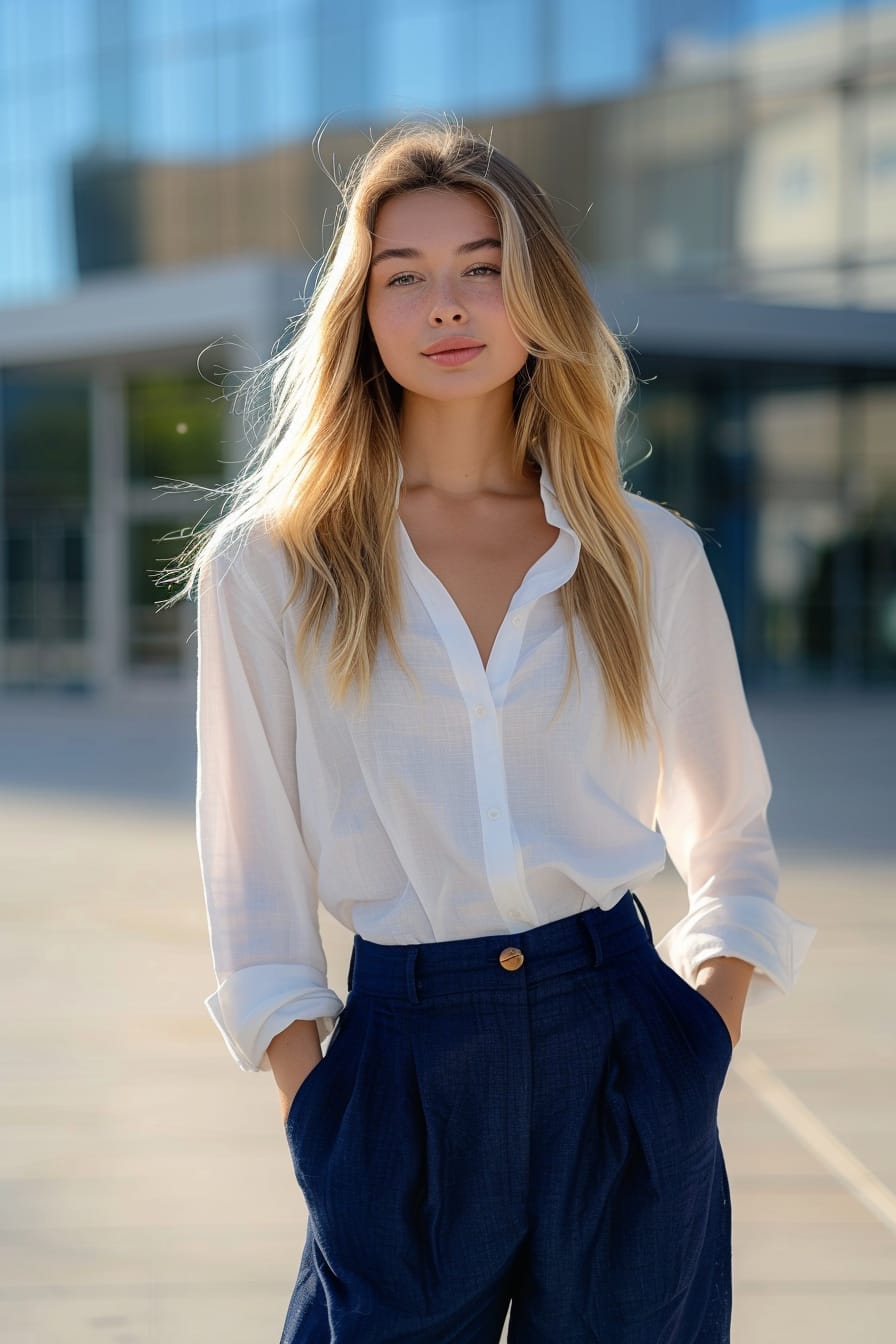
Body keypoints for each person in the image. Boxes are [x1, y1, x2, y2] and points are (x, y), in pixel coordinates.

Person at [182, 118, 816, 1342]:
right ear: (359, 313)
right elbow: (250, 880)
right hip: (396, 1076)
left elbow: (729, 836)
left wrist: (694, 1051)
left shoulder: (645, 555)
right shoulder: (268, 571)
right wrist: (317, 1115)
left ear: (537, 294)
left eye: (482, 265)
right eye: (402, 275)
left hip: (622, 1055)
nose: (446, 305)